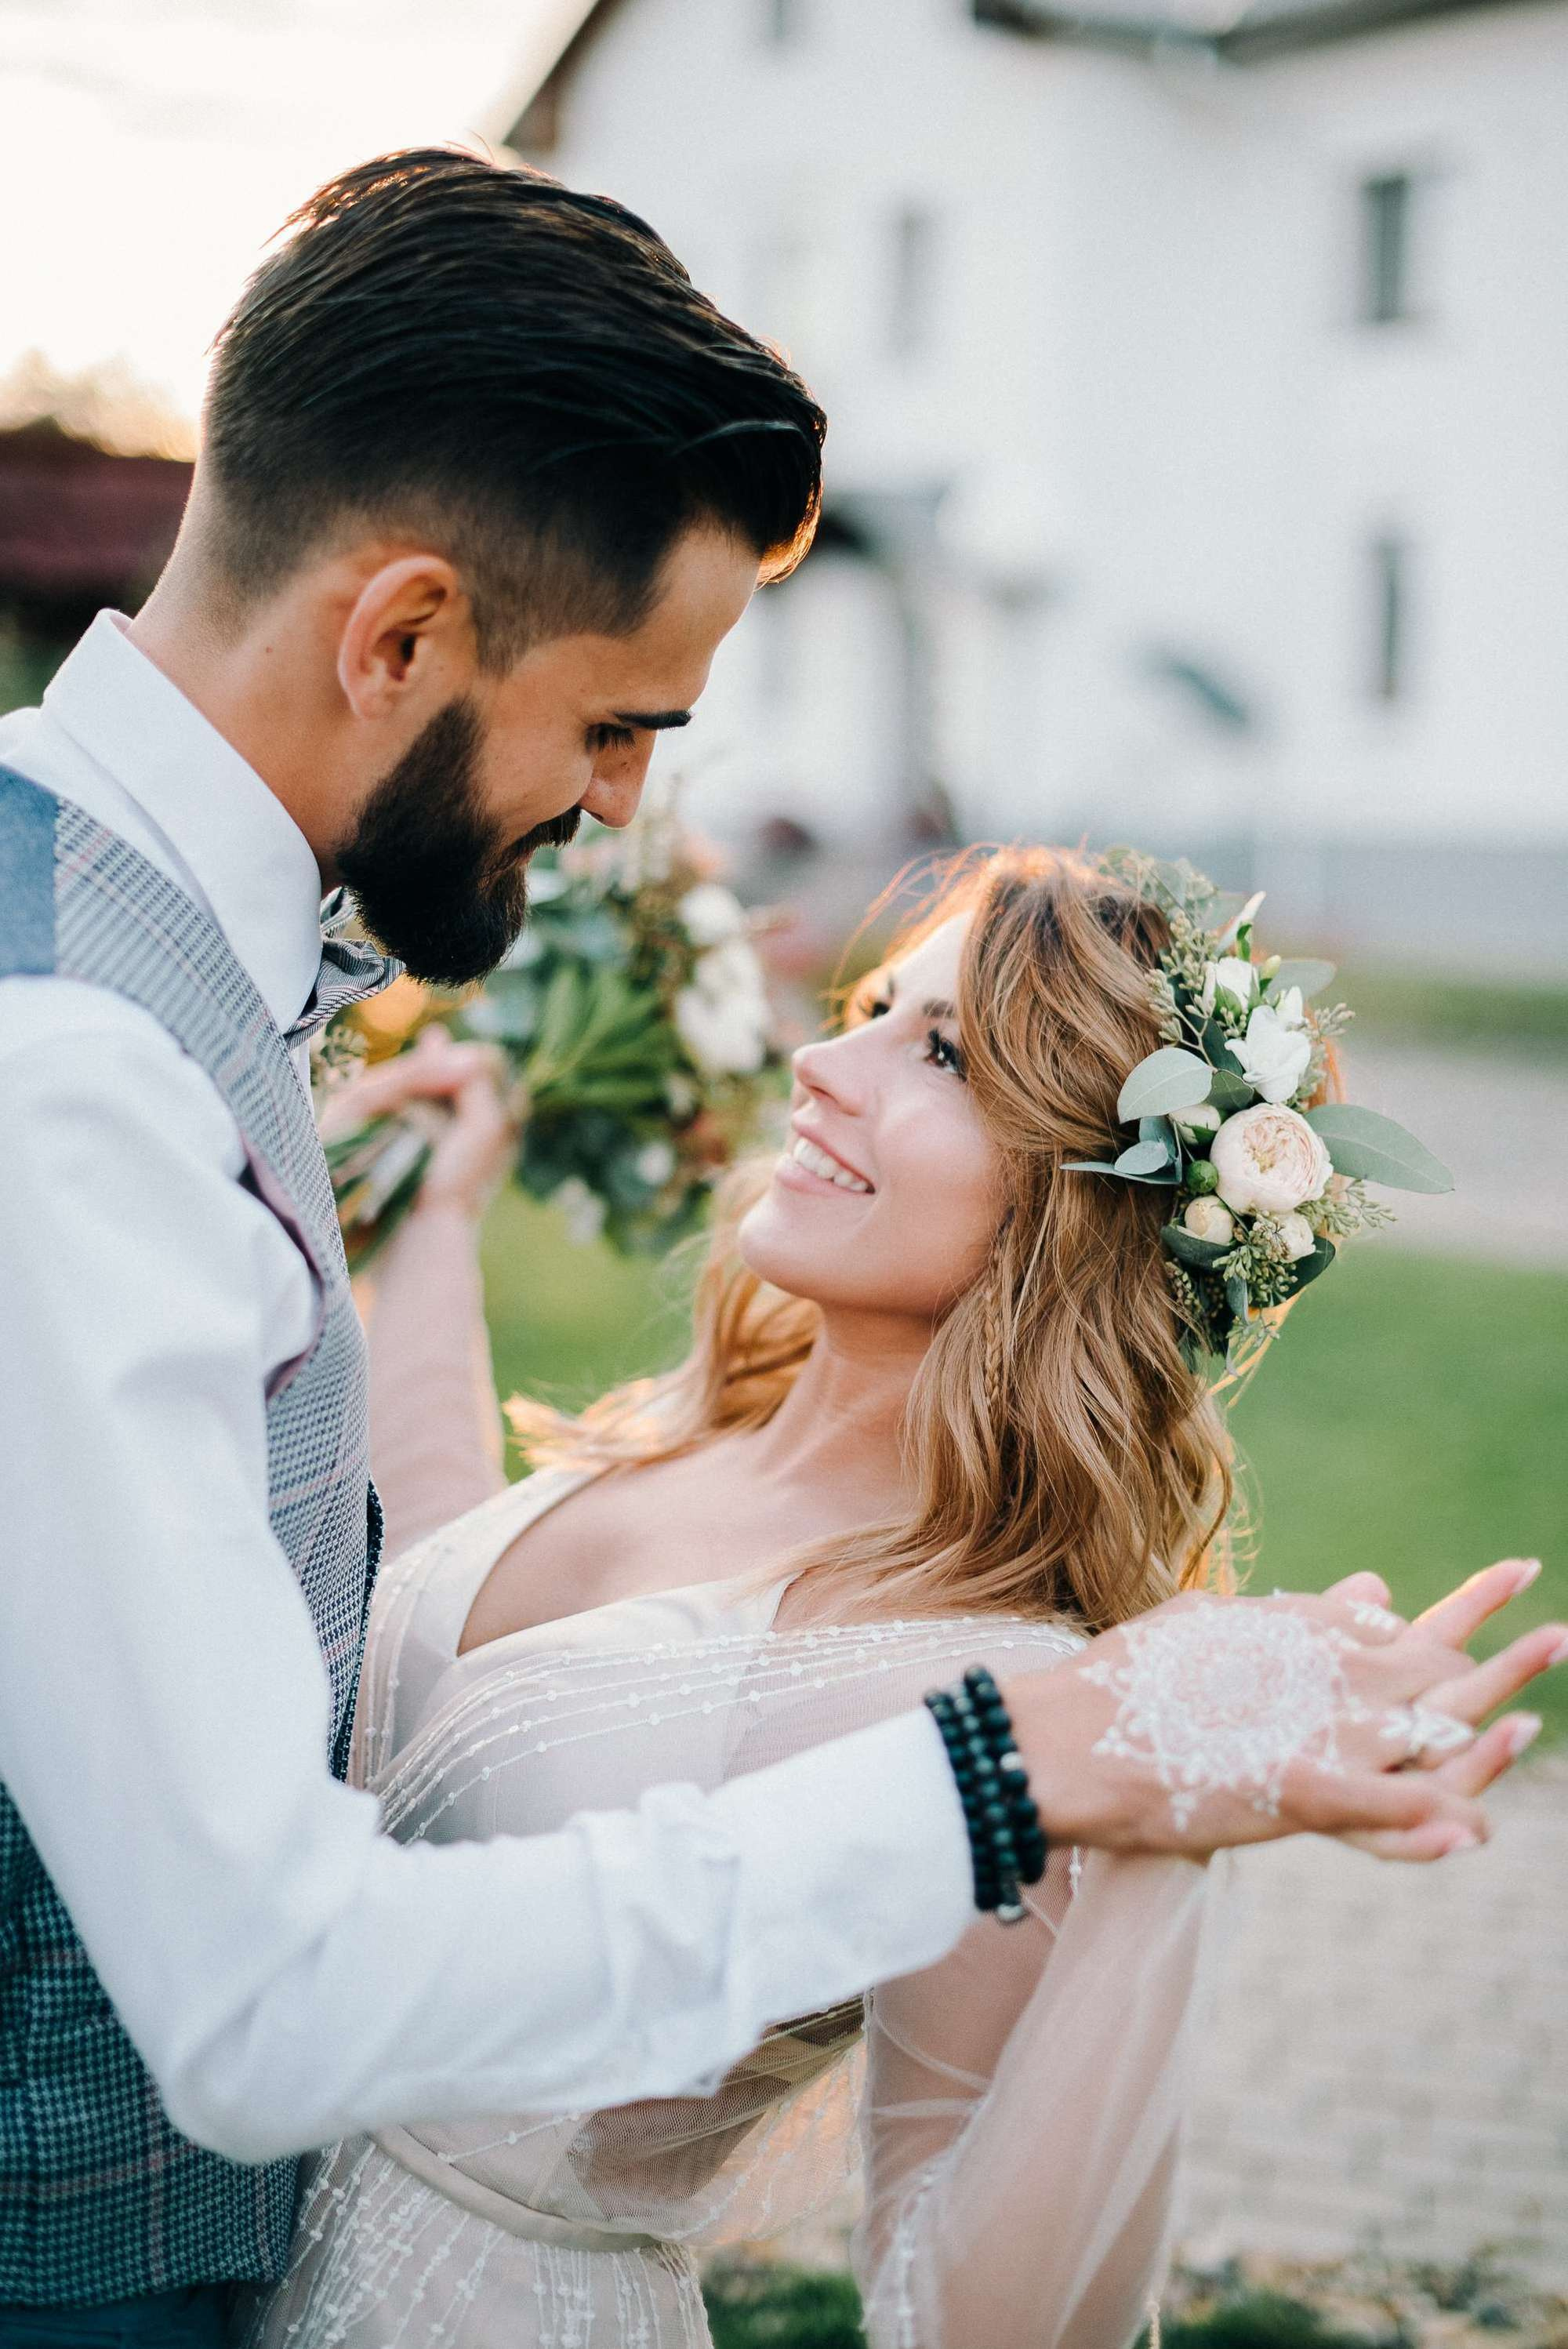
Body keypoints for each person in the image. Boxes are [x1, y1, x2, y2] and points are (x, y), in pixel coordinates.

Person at [0, 151, 1548, 2345]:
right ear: (402, 636)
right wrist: (1025, 1769)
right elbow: (269, 1979)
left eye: (942, 1058)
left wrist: (1123, 1791)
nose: (629, 808)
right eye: (621, 720)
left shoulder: (105, 966)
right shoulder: (80, 1075)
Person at [249, 848, 1555, 2349]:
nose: (818, 1060)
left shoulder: (1003, 1696)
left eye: (936, 1049)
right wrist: (437, 1226)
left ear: (1077, 1206)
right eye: (867, 1006)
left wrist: (1160, 1820)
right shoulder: (698, 1444)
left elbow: (962, 2314)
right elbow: (429, 1619)